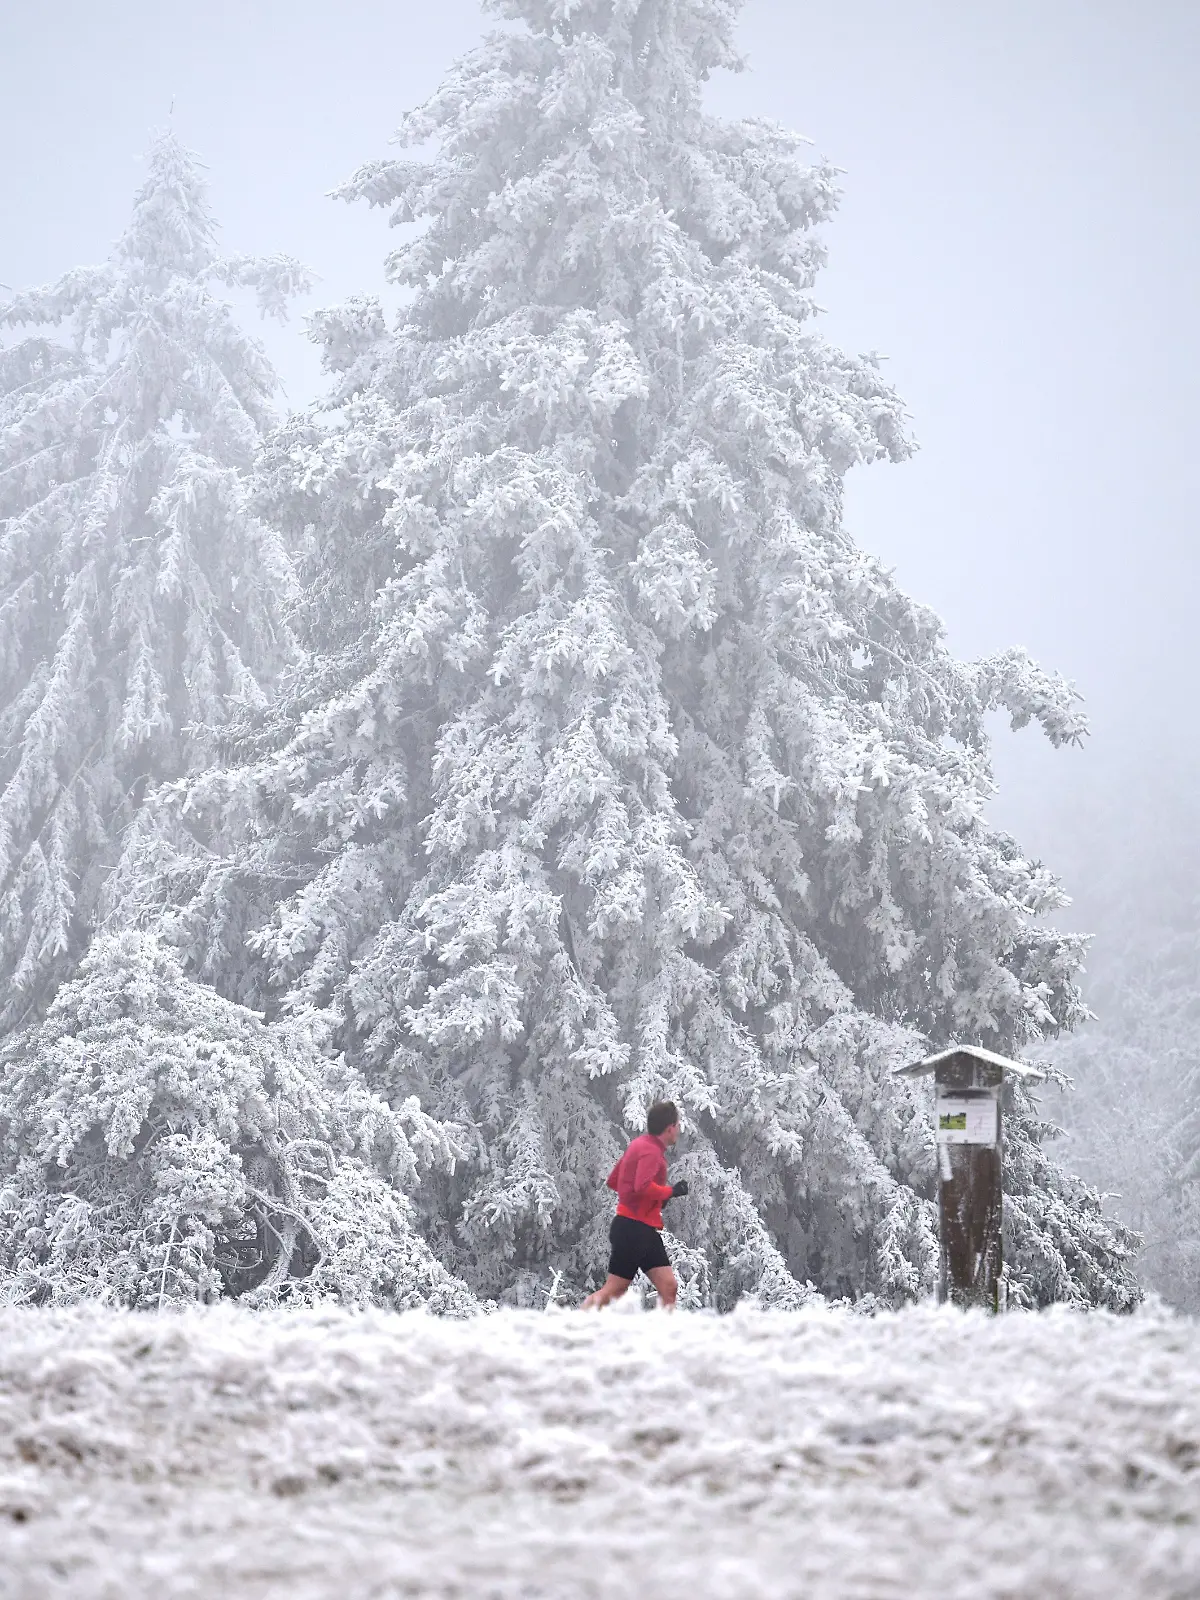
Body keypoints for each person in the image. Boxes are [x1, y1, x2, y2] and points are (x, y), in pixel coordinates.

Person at [582, 1101, 689, 1310]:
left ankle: (668, 1338)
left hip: (642, 1228)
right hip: (633, 1229)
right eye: (677, 1124)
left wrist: (656, 1200)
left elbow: (616, 1181)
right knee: (614, 1290)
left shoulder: (640, 1145)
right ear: (670, 1128)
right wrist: (670, 1191)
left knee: (669, 1286)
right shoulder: (650, 1151)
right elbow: (641, 1186)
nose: (678, 1129)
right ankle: (572, 1325)